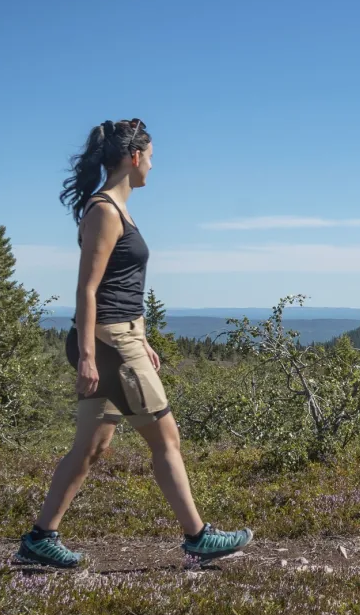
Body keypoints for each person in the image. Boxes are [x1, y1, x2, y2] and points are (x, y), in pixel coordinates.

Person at [16, 118, 251, 568]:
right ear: (134, 156)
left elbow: (120, 289)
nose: (153, 168)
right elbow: (88, 289)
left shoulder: (116, 210)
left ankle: (40, 539)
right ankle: (198, 537)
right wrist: (89, 357)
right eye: (152, 158)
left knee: (91, 447)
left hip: (120, 340)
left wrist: (141, 339)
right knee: (166, 438)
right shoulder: (105, 211)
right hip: (108, 344)